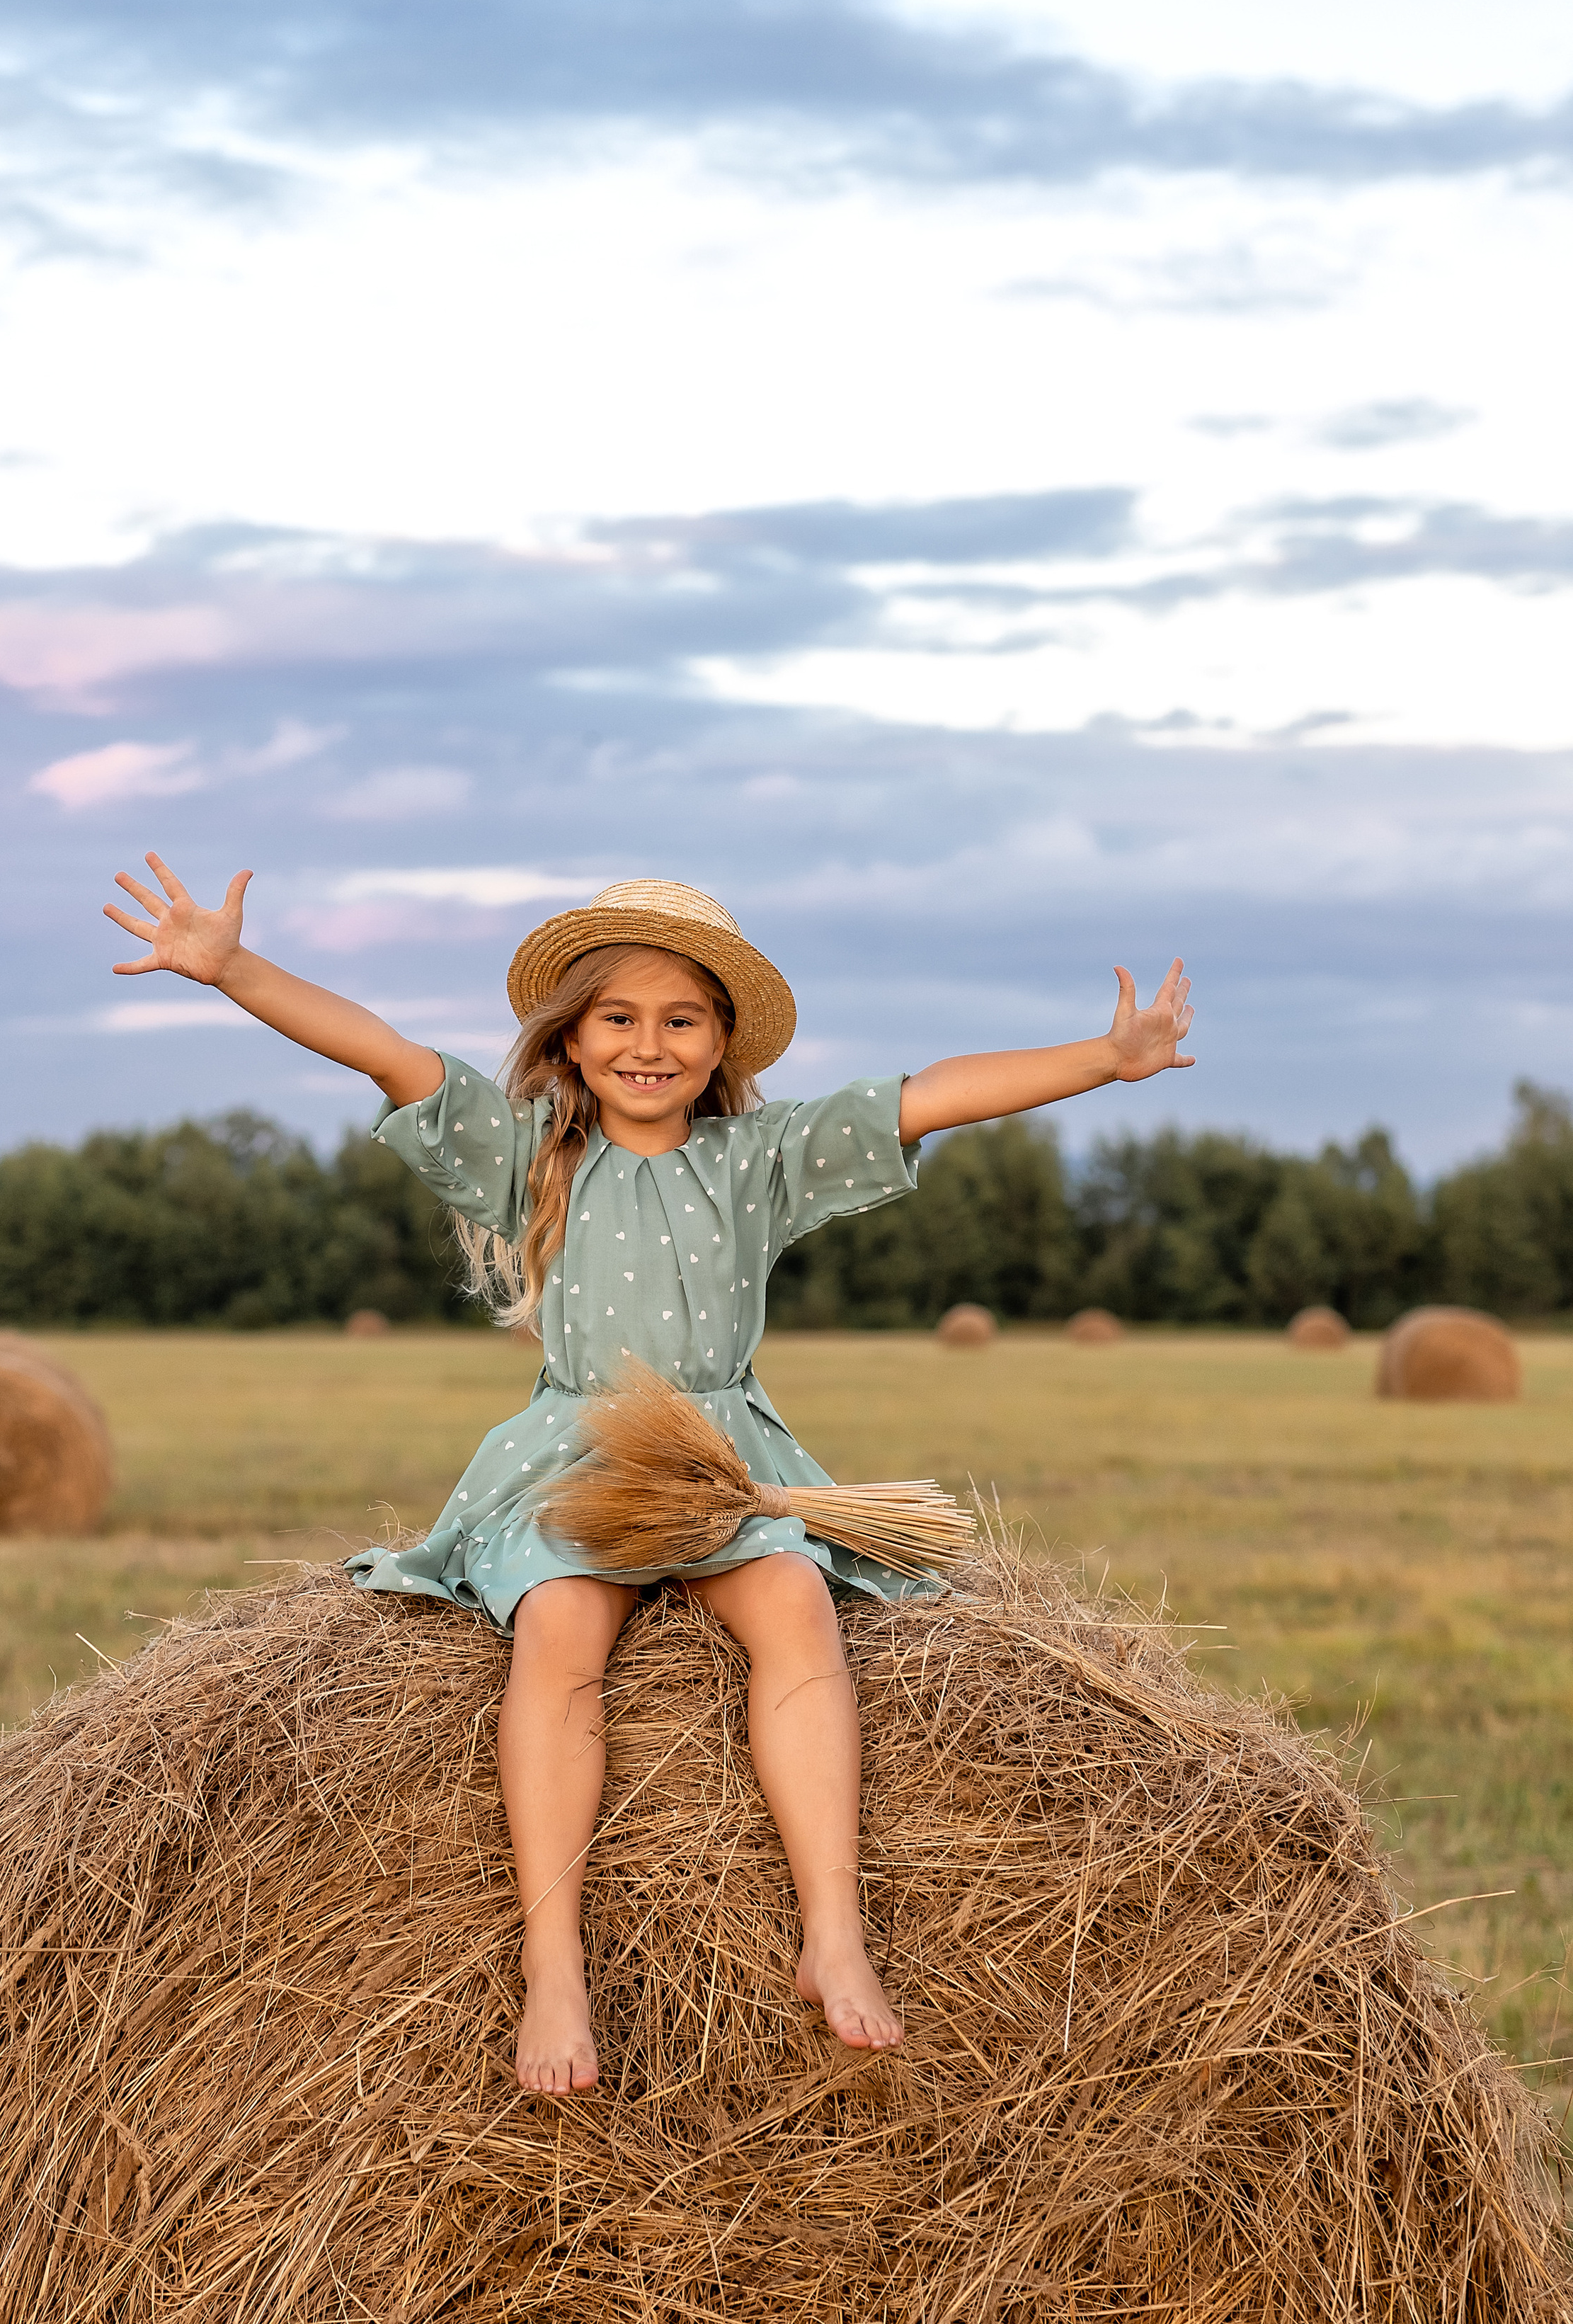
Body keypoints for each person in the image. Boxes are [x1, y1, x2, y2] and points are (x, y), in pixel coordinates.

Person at [104, 859, 1194, 2097]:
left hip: (726, 1460)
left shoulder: (759, 1160)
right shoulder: (530, 1157)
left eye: (682, 1020)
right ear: (567, 1040)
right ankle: (554, 1965)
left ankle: (831, 1927)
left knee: (794, 1609)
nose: (649, 1044)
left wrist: (1106, 1059)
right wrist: (235, 969)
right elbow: (385, 1053)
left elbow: (928, 1098)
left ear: (722, 1042)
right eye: (618, 1018)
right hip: (577, 1458)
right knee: (560, 1627)